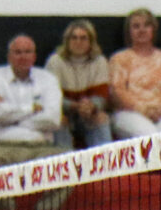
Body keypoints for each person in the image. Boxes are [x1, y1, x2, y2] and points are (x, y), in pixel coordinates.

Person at [0, 34, 67, 208]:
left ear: (34, 56)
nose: (23, 56)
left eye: (27, 52)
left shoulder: (48, 79)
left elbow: (53, 119)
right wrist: (31, 109)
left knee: (70, 164)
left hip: (40, 148)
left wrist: (12, 119)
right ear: (9, 56)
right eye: (17, 52)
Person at [108, 7, 161, 139]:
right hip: (129, 113)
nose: (142, 30)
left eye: (146, 25)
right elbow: (118, 91)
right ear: (129, 32)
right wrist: (142, 109)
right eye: (136, 26)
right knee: (148, 135)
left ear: (153, 30)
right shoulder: (119, 58)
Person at [45, 20, 114, 150]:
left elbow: (102, 96)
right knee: (58, 120)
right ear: (67, 41)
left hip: (88, 114)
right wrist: (74, 106)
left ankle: (105, 164)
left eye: (83, 38)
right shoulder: (55, 61)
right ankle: (65, 164)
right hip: (64, 113)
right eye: (74, 38)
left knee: (101, 118)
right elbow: (51, 97)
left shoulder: (99, 61)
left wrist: (91, 106)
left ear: (91, 42)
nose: (78, 42)